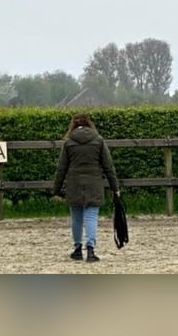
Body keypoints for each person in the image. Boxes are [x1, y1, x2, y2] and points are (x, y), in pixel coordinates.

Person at [52, 113, 120, 263]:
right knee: (91, 216)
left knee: (76, 218)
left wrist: (56, 190)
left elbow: (61, 168)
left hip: (74, 184)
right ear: (90, 123)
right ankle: (90, 250)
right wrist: (115, 187)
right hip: (94, 183)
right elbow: (108, 166)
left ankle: (77, 249)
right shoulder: (98, 140)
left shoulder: (69, 142)